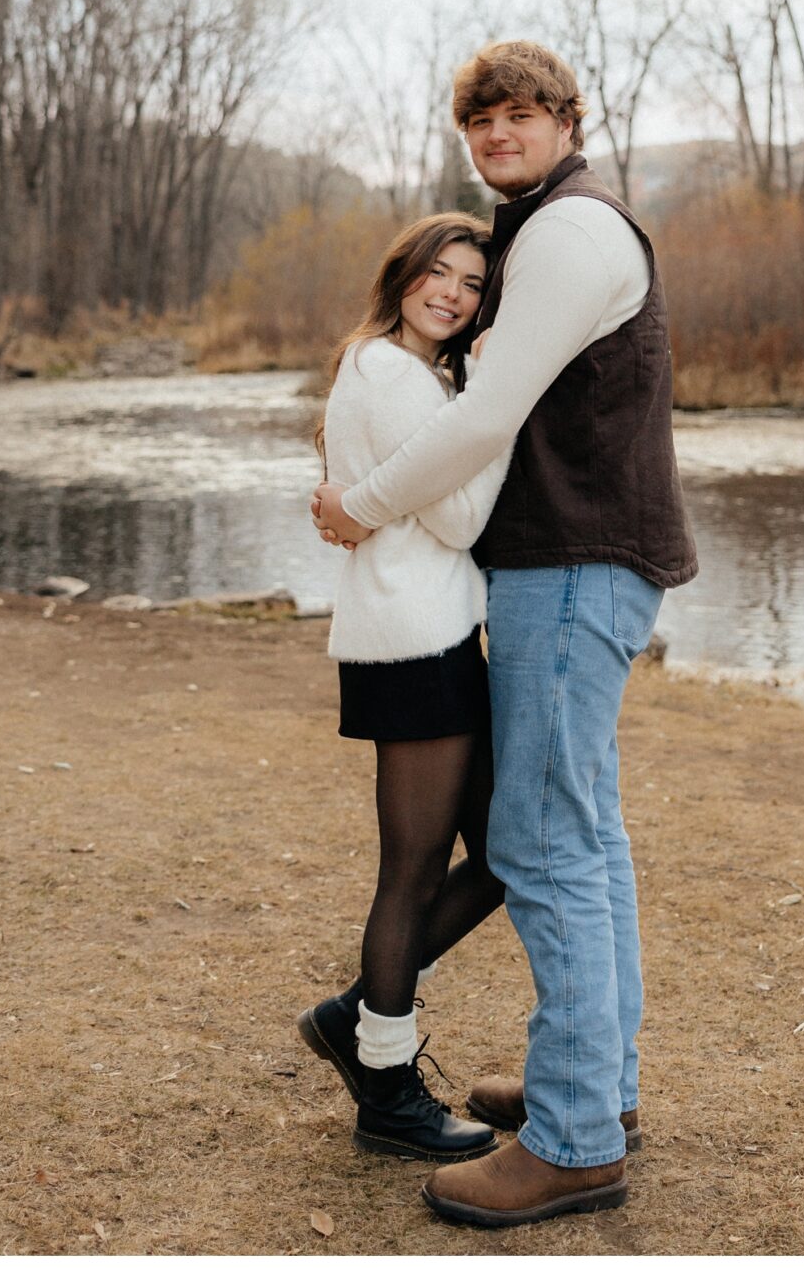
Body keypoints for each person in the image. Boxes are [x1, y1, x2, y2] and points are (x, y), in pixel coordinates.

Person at [313, 41, 697, 1230]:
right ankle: (597, 1089)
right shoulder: (537, 229)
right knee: (582, 829)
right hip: (567, 562)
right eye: (479, 119)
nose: (497, 134)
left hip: (573, 563)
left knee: (543, 840)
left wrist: (359, 504)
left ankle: (576, 1138)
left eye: (521, 115)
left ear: (566, 120)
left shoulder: (574, 231)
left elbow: (485, 414)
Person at [294, 214, 513, 1162]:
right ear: (407, 273)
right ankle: (385, 1085)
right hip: (410, 646)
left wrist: (471, 402)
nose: (453, 293)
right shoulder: (385, 368)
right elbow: (462, 516)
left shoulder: (420, 375)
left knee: (509, 851)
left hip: (437, 637)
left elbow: (432, 502)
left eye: (471, 282)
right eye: (441, 272)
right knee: (415, 868)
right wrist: (497, 407)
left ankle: (363, 1012)